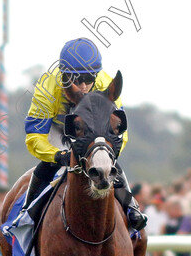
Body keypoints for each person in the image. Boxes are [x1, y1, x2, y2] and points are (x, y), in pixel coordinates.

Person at [21, 38, 147, 230]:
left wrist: (111, 153)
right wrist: (57, 155)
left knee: (107, 160)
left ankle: (132, 208)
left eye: (88, 79)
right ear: (64, 75)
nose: (83, 86)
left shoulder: (106, 84)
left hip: (91, 132)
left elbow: (119, 131)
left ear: (95, 76)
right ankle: (26, 215)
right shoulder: (46, 89)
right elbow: (34, 137)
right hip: (57, 128)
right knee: (50, 165)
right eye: (75, 79)